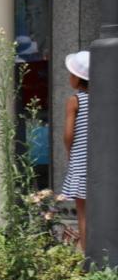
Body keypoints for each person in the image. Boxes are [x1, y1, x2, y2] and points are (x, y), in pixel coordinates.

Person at [62, 50, 90, 251]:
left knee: (84, 213)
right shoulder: (104, 98)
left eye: (71, 74)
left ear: (78, 78)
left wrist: (69, 152)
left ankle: (89, 256)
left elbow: (69, 134)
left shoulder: (75, 100)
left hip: (81, 161)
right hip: (101, 161)